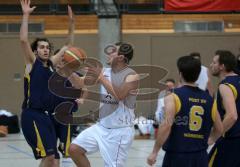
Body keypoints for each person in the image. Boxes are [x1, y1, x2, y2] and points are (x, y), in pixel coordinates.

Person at [19, 0, 74, 166]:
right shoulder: (32, 63)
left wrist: (71, 24)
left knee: (55, 160)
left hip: (46, 116)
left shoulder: (51, 64)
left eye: (47, 47)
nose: (45, 49)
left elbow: (68, 44)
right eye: (42, 47)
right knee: (49, 157)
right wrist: (26, 15)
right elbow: (23, 40)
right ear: (36, 51)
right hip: (32, 114)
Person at [68, 42, 139, 167]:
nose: (109, 53)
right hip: (101, 127)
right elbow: (78, 83)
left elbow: (120, 95)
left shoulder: (131, 76)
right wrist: (69, 70)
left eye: (113, 51)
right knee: (74, 149)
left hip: (119, 132)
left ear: (121, 58)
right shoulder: (105, 72)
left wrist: (100, 77)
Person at [147, 55, 223, 167]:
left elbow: (166, 125)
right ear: (198, 75)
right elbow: (220, 129)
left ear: (180, 74)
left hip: (177, 156)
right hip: (200, 156)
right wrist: (210, 140)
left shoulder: (173, 96)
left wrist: (154, 152)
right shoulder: (210, 100)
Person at [208, 50, 240, 167]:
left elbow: (232, 115)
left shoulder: (225, 86)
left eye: (214, 62)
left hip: (232, 140)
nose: (211, 65)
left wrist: (213, 137)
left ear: (222, 66)